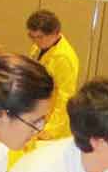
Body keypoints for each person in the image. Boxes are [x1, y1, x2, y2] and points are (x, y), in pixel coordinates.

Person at [26, 9, 79, 140]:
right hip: (38, 115)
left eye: (39, 37)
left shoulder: (64, 58)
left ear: (55, 33)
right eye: (32, 36)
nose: (35, 41)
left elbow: (65, 98)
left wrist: (50, 130)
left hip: (54, 127)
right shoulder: (40, 47)